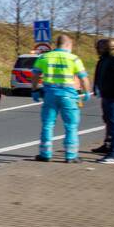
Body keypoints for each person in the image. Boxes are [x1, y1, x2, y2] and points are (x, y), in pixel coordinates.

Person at [31, 34, 89, 163]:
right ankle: (71, 155)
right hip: (68, 95)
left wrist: (34, 90)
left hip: (50, 94)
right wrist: (86, 93)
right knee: (71, 125)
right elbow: (83, 78)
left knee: (47, 124)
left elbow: (35, 75)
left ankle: (45, 154)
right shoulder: (74, 59)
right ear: (68, 45)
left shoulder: (44, 57)